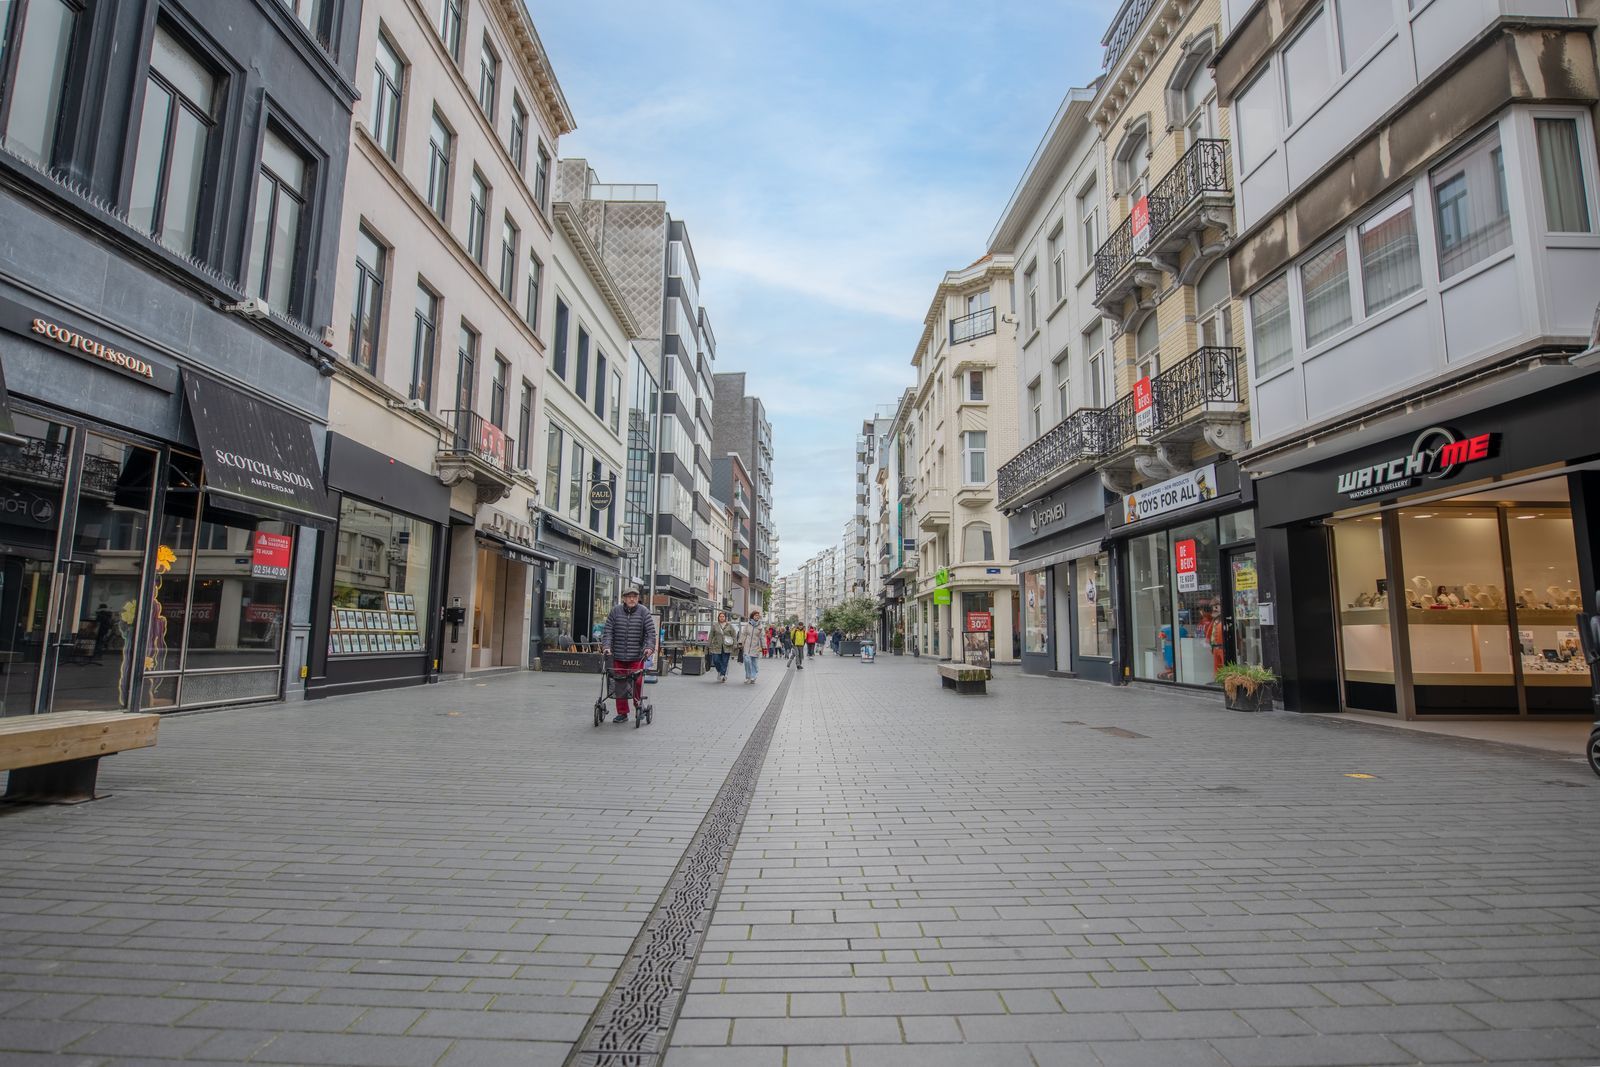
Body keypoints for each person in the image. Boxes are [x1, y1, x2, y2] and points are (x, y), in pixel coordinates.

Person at [600, 585, 657, 723]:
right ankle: (622, 713)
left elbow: (650, 633)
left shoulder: (644, 612)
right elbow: (608, 632)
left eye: (635, 597)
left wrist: (649, 647)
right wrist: (606, 646)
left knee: (637, 682)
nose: (632, 599)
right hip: (618, 655)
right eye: (629, 597)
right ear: (624, 598)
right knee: (620, 683)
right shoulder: (615, 611)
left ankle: (638, 705)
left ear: (638, 598)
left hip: (637, 656)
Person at [708, 610, 737, 684]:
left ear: (725, 618)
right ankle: (720, 671)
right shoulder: (715, 625)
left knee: (725, 661)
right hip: (716, 646)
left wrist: (735, 644)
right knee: (716, 660)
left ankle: (723, 675)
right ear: (718, 618)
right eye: (720, 616)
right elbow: (711, 635)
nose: (721, 618)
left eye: (723, 616)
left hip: (727, 646)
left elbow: (734, 635)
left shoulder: (729, 626)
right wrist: (709, 644)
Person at [740, 609, 764, 684]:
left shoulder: (760, 627)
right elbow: (743, 634)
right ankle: (748, 676)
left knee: (754, 663)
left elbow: (762, 637)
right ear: (752, 616)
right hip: (747, 646)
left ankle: (753, 676)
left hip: (755, 647)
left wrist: (764, 646)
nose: (757, 617)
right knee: (747, 661)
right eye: (755, 615)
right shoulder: (747, 625)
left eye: (758, 615)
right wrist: (740, 642)